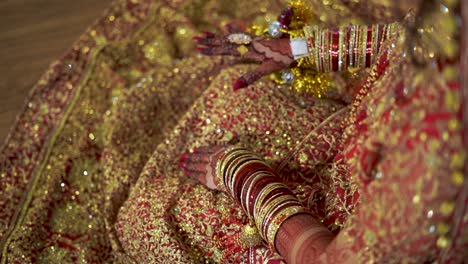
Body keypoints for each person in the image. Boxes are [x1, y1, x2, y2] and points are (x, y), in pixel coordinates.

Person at [0, 0, 465, 263]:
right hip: (347, 148)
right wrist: (299, 49)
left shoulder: (429, 174)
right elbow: (421, 41)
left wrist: (241, 175)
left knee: (147, 217)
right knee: (230, 94)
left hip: (341, 227)